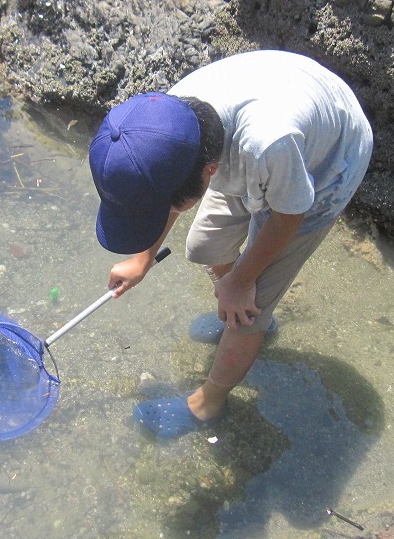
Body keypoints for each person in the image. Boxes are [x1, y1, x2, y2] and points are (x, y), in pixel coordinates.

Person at [88, 50, 373, 438]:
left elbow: (289, 216)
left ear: (209, 172)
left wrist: (242, 280)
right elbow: (169, 194)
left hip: (323, 166)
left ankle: (209, 402)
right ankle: (242, 307)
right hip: (262, 153)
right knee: (203, 247)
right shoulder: (166, 121)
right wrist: (144, 257)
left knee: (250, 311)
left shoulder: (267, 143)